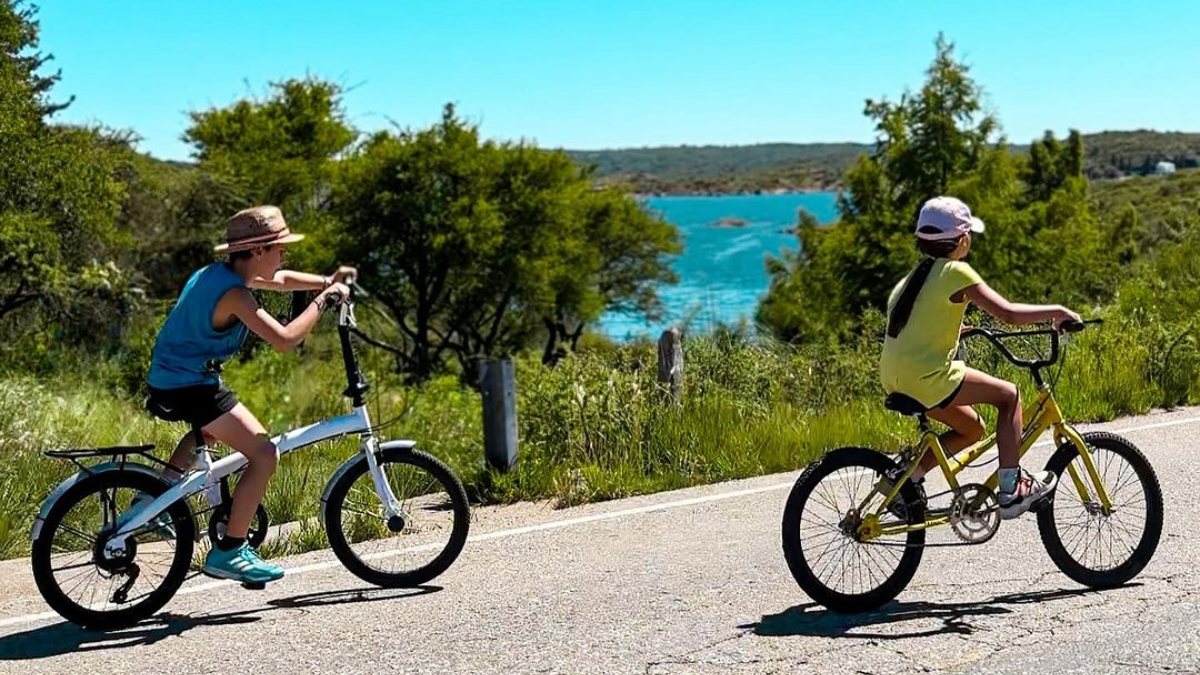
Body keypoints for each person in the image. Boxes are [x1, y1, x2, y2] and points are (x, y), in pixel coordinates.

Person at [133, 205, 354, 583]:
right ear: (257, 251)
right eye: (279, 248)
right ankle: (230, 550)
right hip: (187, 383)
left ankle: (151, 500)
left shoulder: (221, 274)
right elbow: (284, 341)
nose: (284, 254)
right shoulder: (236, 295)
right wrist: (325, 300)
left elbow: (281, 281)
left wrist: (325, 280)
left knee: (213, 431)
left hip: (177, 377)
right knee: (264, 454)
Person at [879, 196, 1081, 519]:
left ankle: (908, 480)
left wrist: (955, 331)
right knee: (1010, 396)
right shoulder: (956, 272)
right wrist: (1057, 312)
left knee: (972, 428)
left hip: (894, 375)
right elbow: (1010, 314)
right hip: (927, 377)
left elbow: (914, 327)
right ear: (963, 240)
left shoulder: (910, 281)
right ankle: (1012, 489)